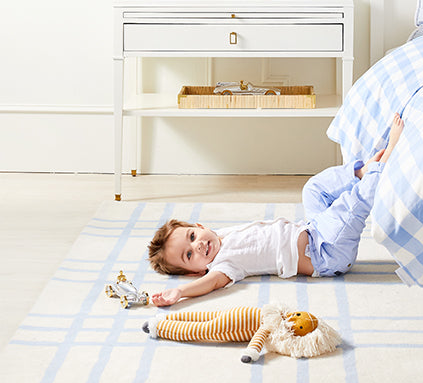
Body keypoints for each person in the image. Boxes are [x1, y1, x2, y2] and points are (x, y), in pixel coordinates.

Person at [148, 113, 404, 306]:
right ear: (195, 271)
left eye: (192, 237)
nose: (198, 246)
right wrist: (181, 292)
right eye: (189, 255)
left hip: (313, 229)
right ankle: (386, 158)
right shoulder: (224, 266)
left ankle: (361, 171)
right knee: (349, 206)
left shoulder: (220, 235)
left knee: (312, 189)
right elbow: (212, 283)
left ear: (199, 226)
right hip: (327, 253)